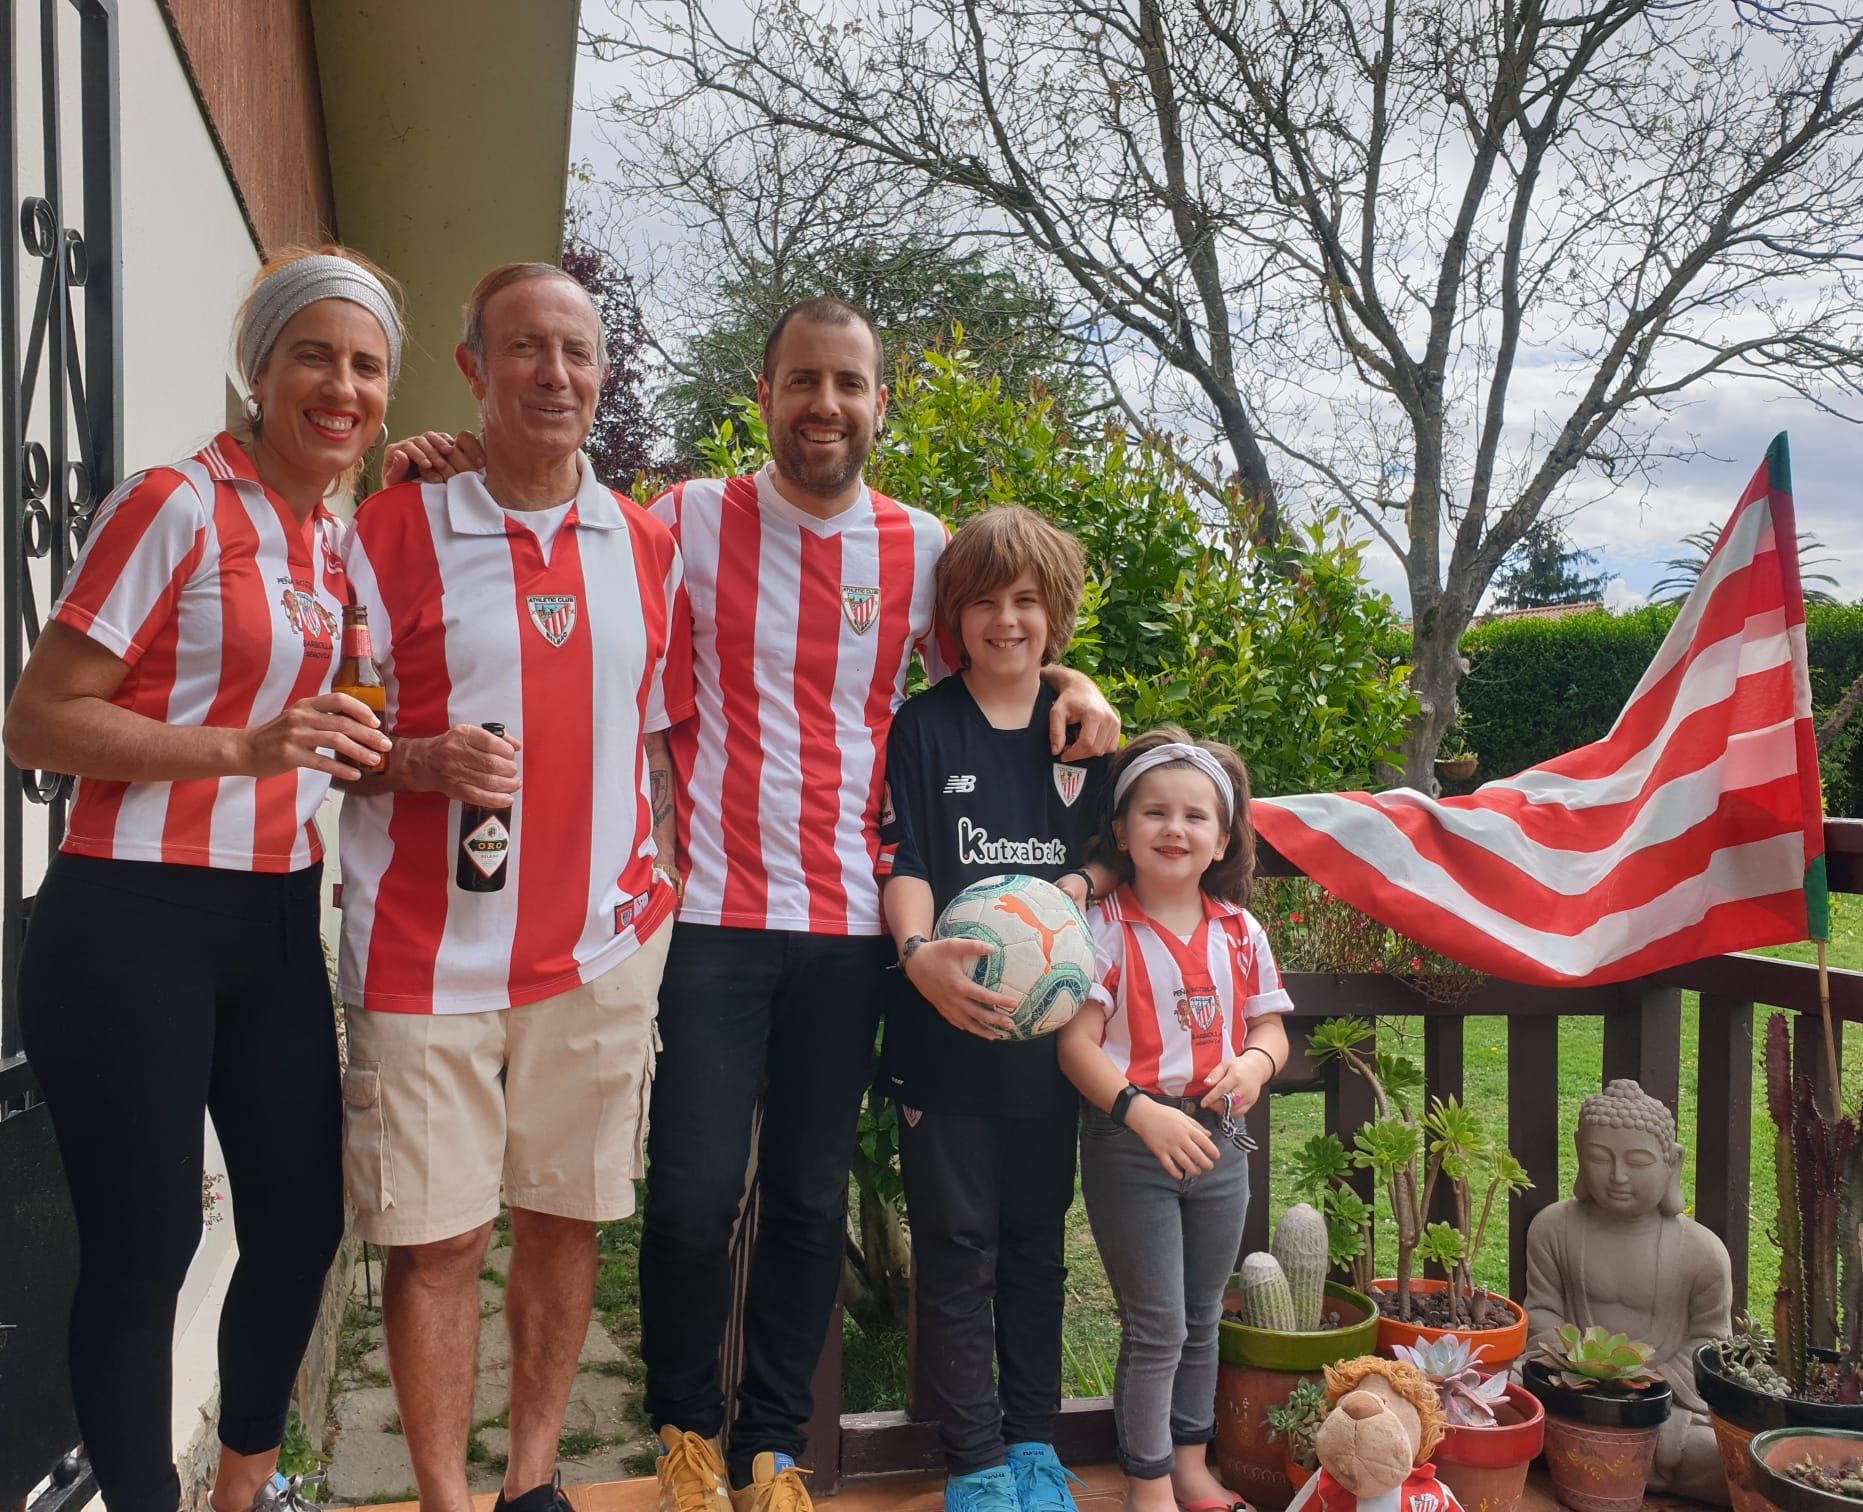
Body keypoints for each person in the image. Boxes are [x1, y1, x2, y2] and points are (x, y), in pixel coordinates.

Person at [393, 297, 1118, 1512]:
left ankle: (771, 1444)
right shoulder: (685, 518)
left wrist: (1079, 675)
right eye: (802, 382)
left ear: (880, 403)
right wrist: (462, 451)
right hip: (712, 916)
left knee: (807, 1197)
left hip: (850, 928)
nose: (825, 405)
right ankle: (685, 1427)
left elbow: (1006, 637)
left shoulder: (921, 544)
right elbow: (565, 507)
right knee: (687, 1197)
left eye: (849, 383)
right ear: (768, 394)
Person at [3, 247, 401, 1512]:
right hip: (132, 920)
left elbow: (345, 719)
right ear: (259, 368)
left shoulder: (332, 541)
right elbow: (38, 719)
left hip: (277, 921)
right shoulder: (175, 501)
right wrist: (240, 746)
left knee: (296, 1230)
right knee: (146, 1249)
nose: (339, 385)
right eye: (313, 355)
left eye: (365, 365)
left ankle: (245, 1491)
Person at [335, 261, 689, 1512]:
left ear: (601, 376)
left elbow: (662, 738)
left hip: (595, 952)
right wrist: (419, 759)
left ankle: (533, 1483)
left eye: (579, 352)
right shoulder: (388, 530)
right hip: (425, 953)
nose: (557, 373)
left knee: (561, 1220)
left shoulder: (647, 546)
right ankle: (443, 1496)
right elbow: (322, 729)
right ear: (474, 372)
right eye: (527, 350)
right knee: (435, 1240)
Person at [875, 506, 1110, 1512]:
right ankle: (973, 1461)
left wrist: (1071, 899)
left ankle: (1032, 1449)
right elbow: (907, 858)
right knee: (955, 1250)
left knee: (1034, 1250)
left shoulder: (1084, 731)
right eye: (983, 603)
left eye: (1026, 602)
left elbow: (1116, 853)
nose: (1006, 621)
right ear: (954, 617)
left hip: (1045, 1055)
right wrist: (919, 956)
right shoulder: (926, 727)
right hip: (945, 1046)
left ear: (1055, 616)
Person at [1057, 730, 1292, 1512]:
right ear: (1120, 830)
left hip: (1220, 1141)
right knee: (1155, 1322)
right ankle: (1147, 1480)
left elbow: (1268, 1030)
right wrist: (1139, 1112)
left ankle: (1191, 1465)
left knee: (1199, 1316)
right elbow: (1076, 1046)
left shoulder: (1239, 931)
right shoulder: (1104, 931)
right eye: (1153, 812)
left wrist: (1254, 1067)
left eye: (1195, 816)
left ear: (1221, 838)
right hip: (1133, 1142)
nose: (1173, 829)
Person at [1523, 1079, 1732, 1501]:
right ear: (1581, 1154)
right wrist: (1579, 1373)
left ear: (1672, 1163)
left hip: (1661, 1408)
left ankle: (1575, 1454)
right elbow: (1541, 1314)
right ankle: (1592, 1452)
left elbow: (1710, 1347)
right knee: (1489, 1407)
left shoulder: (1702, 1252)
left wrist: (1638, 1386)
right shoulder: (1553, 1228)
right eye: (1600, 1158)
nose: (1617, 1176)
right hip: (1567, 1391)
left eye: (1637, 1161)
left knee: (1727, 1461)